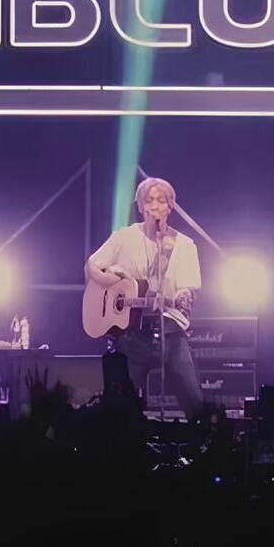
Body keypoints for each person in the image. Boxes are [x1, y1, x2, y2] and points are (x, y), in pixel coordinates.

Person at [86, 177, 204, 415]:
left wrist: (184, 295)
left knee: (195, 404)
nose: (155, 206)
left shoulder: (184, 245)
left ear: (170, 206)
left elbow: (188, 288)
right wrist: (113, 281)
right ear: (140, 206)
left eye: (161, 200)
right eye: (149, 200)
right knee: (119, 408)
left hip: (170, 334)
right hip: (132, 336)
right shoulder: (124, 237)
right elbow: (92, 265)